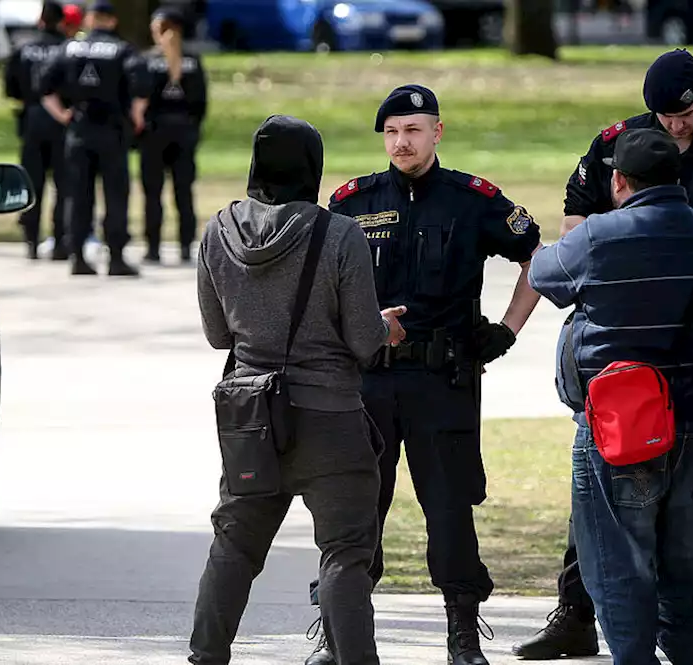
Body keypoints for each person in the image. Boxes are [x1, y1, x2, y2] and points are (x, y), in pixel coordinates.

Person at [512, 48, 693, 660]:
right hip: (682, 393)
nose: (676, 125)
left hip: (628, 403)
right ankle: (599, 625)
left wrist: (632, 261)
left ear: (620, 185)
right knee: (677, 549)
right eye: (665, 117)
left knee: (621, 545)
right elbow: (581, 216)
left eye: (683, 113)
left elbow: (550, 268)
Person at [302, 84, 544, 665]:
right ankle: (339, 636)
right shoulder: (352, 201)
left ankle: (463, 635)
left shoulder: (473, 199)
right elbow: (319, 283)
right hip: (369, 384)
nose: (400, 142)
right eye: (390, 132)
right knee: (356, 511)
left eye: (412, 130)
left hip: (444, 382)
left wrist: (507, 329)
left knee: (450, 510)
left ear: (438, 131)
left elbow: (539, 255)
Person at [189, 114, 408, 665]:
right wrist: (386, 326)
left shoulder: (217, 230)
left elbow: (219, 336)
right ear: (312, 168)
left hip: (251, 420)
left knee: (235, 545)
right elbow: (363, 339)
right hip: (330, 419)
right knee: (346, 554)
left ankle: (205, 657)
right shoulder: (338, 233)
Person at [529, 128, 693, 665]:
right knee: (688, 564)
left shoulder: (598, 235)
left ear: (619, 180)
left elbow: (543, 273)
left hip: (618, 426)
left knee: (618, 561)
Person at [39, 0, 144, 277]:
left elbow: (43, 83)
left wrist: (62, 114)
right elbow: (141, 86)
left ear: (89, 20)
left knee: (78, 195)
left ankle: (78, 257)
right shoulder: (122, 49)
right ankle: (116, 258)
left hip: (79, 130)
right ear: (111, 21)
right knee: (115, 195)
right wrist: (136, 117)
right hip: (112, 131)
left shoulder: (69, 47)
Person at [132, 5, 208, 265]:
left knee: (152, 193)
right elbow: (201, 103)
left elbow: (138, 98)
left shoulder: (146, 60)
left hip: (154, 133)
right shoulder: (193, 61)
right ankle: (186, 246)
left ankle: (153, 247)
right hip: (184, 133)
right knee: (183, 192)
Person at [3, 1, 70, 261]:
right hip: (62, 121)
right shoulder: (67, 48)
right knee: (64, 185)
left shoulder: (23, 47)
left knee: (33, 184)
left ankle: (31, 240)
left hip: (31, 121)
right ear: (62, 21)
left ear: (40, 19)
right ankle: (61, 240)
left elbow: (11, 89)